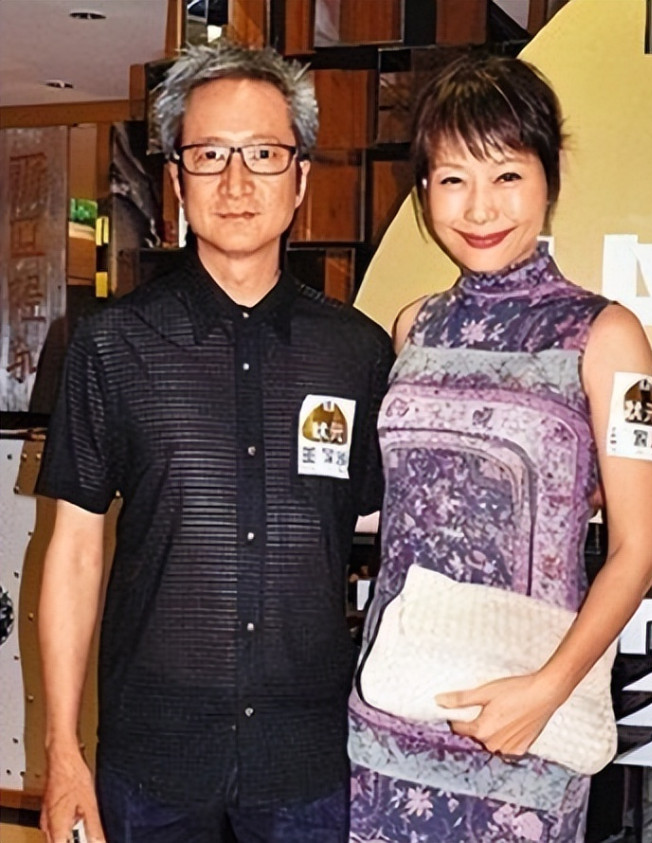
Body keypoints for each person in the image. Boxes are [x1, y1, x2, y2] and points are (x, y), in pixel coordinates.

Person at [36, 42, 393, 843]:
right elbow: (76, 553)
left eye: (263, 154)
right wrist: (63, 751)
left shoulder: (357, 351)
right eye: (209, 154)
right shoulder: (111, 345)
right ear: (176, 179)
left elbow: (383, 512)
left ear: (301, 177)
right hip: (153, 757)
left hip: (307, 761)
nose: (236, 182)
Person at [347, 54, 652, 841]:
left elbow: (638, 550)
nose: (479, 206)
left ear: (548, 178)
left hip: (527, 724)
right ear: (424, 190)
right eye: (453, 179)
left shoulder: (610, 335)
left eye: (507, 175)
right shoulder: (412, 327)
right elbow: (402, 508)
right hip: (392, 714)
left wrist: (547, 689)